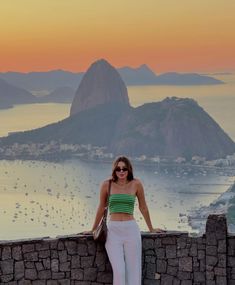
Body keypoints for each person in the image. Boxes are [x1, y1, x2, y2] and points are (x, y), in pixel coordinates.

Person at [86, 156, 165, 285]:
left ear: (129, 169)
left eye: (124, 169)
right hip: (113, 231)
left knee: (133, 272)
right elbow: (101, 208)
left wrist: (151, 228)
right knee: (119, 271)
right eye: (118, 169)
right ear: (114, 170)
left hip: (131, 230)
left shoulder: (136, 184)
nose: (121, 171)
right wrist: (93, 229)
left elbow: (143, 207)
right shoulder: (107, 185)